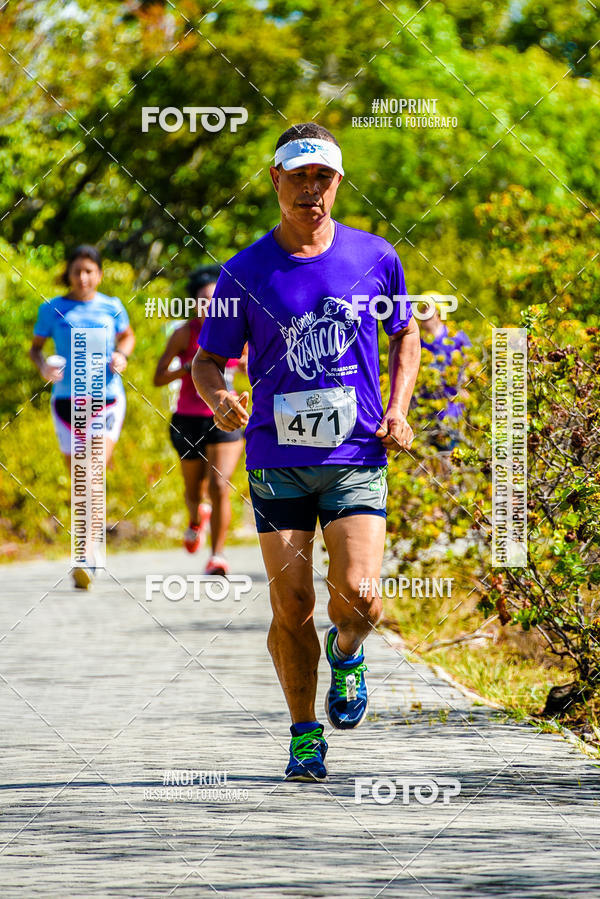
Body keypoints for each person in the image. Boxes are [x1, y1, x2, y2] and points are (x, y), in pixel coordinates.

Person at [193, 123, 421, 781]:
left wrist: (399, 407)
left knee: (360, 595)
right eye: (297, 176)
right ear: (275, 181)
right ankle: (302, 735)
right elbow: (209, 362)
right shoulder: (244, 271)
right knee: (290, 605)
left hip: (355, 454)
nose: (310, 189)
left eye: (322, 177)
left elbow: (404, 333)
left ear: (338, 183)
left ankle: (347, 652)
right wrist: (220, 398)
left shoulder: (375, 256)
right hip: (274, 456)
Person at [30, 245, 135, 589]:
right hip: (66, 403)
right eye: (77, 271)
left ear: (99, 275)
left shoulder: (112, 306)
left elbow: (127, 336)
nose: (83, 277)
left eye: (90, 271)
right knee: (79, 480)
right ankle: (89, 551)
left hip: (105, 399)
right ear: (69, 274)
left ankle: (86, 554)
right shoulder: (53, 308)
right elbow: (35, 348)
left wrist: (121, 354)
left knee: (92, 473)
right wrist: (44, 365)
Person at [153, 265, 246, 575]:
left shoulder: (234, 331)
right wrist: (187, 369)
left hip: (224, 418)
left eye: (215, 299)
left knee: (220, 486)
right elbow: (158, 377)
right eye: (203, 300)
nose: (210, 306)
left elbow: (250, 365)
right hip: (187, 420)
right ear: (193, 302)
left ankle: (217, 555)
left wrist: (248, 366)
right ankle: (196, 518)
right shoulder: (184, 334)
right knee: (194, 491)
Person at [418, 295, 471, 452]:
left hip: (452, 410)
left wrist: (465, 385)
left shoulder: (456, 337)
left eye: (426, 310)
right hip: (427, 412)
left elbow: (471, 365)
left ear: (439, 313)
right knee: (432, 460)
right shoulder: (418, 342)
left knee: (453, 457)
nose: (422, 315)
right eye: (420, 311)